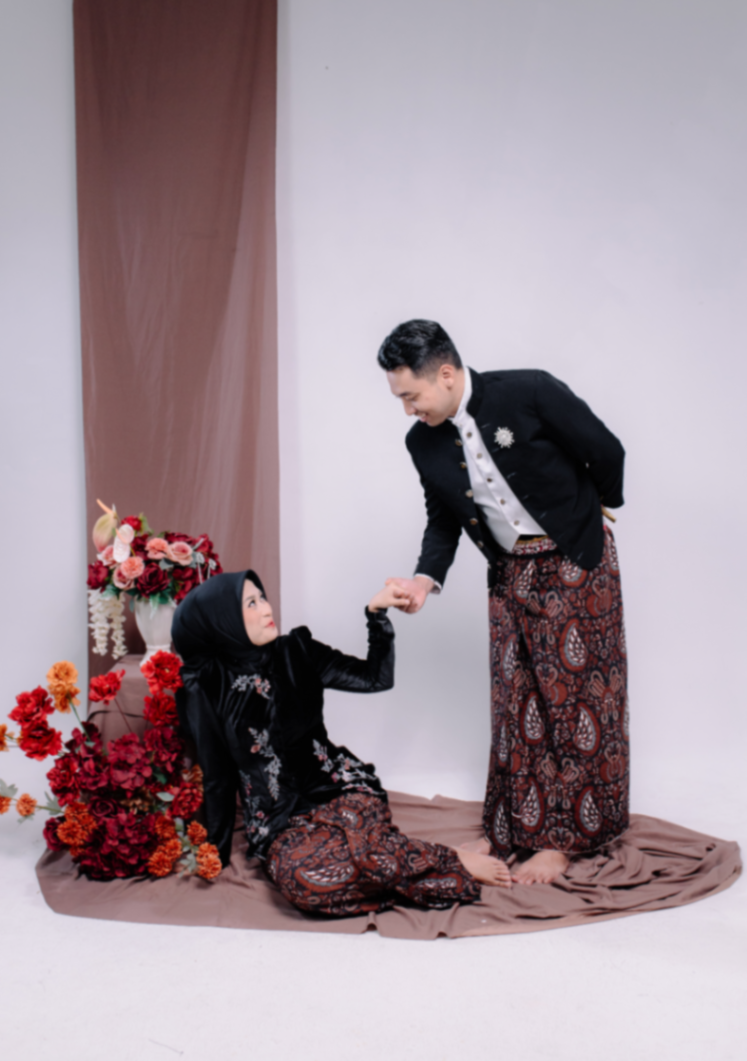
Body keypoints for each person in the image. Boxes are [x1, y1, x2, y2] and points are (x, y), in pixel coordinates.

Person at [377, 319, 629, 884]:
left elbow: (605, 450)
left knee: (574, 701)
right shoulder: (422, 441)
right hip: (509, 572)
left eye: (411, 396)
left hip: (573, 562)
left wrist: (593, 511)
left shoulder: (529, 391)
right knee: (517, 702)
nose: (408, 410)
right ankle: (512, 829)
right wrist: (423, 580)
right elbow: (442, 519)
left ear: (445, 374)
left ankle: (563, 841)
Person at [172, 569, 511, 916]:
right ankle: (425, 862)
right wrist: (215, 850)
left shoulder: (297, 651)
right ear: (224, 621)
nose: (267, 608)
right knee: (304, 882)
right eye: (251, 603)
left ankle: (449, 859)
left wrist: (376, 615)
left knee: (364, 850)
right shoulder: (208, 688)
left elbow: (374, 679)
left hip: (340, 791)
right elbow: (217, 776)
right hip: (281, 821)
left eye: (262, 597)